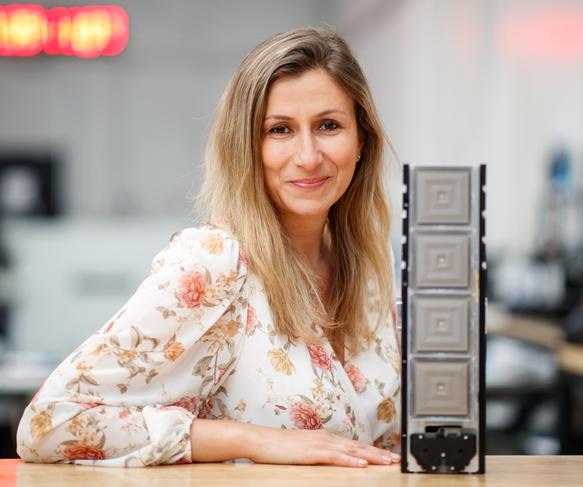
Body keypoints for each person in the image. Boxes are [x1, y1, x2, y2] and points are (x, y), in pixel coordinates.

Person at [16, 26, 401, 468]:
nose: (309, 155)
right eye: (279, 130)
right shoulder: (216, 262)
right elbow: (48, 423)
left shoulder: (374, 263)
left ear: (362, 141)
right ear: (246, 148)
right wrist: (250, 440)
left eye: (328, 125)